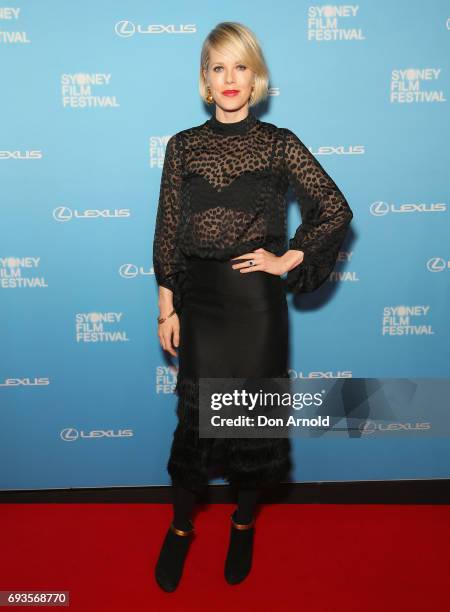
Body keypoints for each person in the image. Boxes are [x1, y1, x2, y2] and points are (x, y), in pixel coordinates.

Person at [152, 21, 353, 591]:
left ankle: (243, 522)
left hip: (256, 306)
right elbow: (167, 235)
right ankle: (181, 527)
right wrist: (168, 308)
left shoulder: (279, 143)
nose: (230, 78)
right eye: (218, 67)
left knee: (250, 421)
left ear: (255, 75)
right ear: (206, 81)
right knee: (194, 425)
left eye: (240, 66)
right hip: (202, 301)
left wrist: (288, 258)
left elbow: (335, 209)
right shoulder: (182, 146)